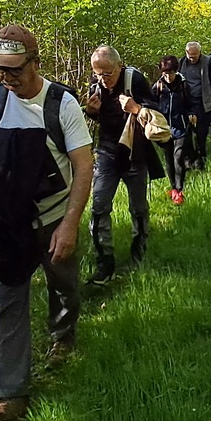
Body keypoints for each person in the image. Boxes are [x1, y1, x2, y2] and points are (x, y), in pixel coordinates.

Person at [0, 24, 94, 421]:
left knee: (63, 282)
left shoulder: (61, 104)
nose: (7, 78)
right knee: (8, 303)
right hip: (8, 221)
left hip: (54, 215)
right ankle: (9, 396)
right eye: (0, 70)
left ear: (35, 63)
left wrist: (70, 225)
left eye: (15, 69)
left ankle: (63, 335)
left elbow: (83, 166)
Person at [84, 45, 165, 284]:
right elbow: (96, 115)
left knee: (138, 208)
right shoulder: (96, 82)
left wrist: (136, 108)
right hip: (106, 153)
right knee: (99, 207)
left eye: (107, 74)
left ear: (120, 66)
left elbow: (157, 112)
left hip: (134, 153)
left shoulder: (135, 79)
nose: (103, 79)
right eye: (98, 74)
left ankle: (139, 253)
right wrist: (91, 111)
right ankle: (105, 264)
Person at [151, 55, 191, 205]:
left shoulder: (183, 85)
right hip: (164, 128)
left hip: (180, 126)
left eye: (171, 73)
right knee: (168, 159)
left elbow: (191, 102)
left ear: (176, 71)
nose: (168, 76)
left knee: (178, 157)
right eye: (165, 73)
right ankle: (173, 187)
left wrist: (192, 113)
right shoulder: (158, 87)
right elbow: (151, 104)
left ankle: (180, 190)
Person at [178, 41, 211, 172]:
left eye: (195, 55)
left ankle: (201, 159)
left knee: (201, 134)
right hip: (186, 103)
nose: (192, 58)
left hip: (204, 103)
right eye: (190, 55)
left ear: (200, 52)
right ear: (186, 53)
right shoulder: (181, 63)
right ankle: (190, 160)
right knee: (186, 134)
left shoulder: (208, 62)